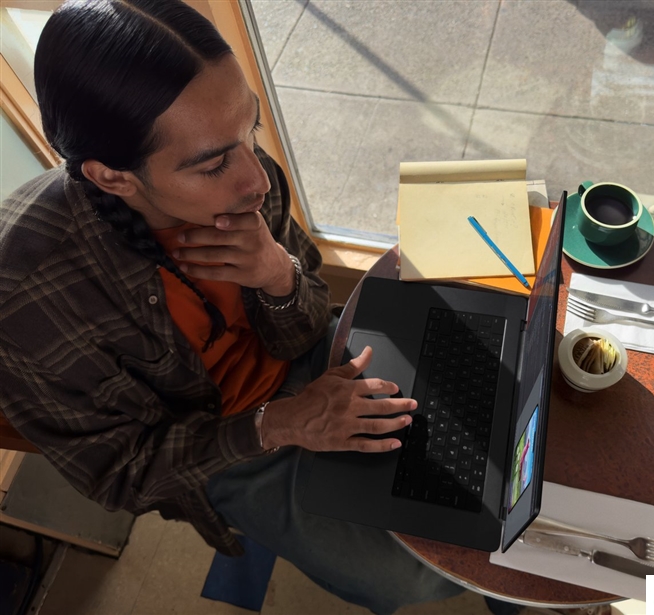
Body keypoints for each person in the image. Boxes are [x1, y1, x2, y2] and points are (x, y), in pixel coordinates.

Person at [0, 1, 469, 613]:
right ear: (113, 177)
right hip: (223, 442)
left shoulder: (241, 175)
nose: (258, 181)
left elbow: (307, 328)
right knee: (409, 577)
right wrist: (282, 423)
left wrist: (278, 275)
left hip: (308, 365)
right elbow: (122, 474)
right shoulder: (27, 297)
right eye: (214, 162)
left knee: (472, 444)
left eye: (250, 132)